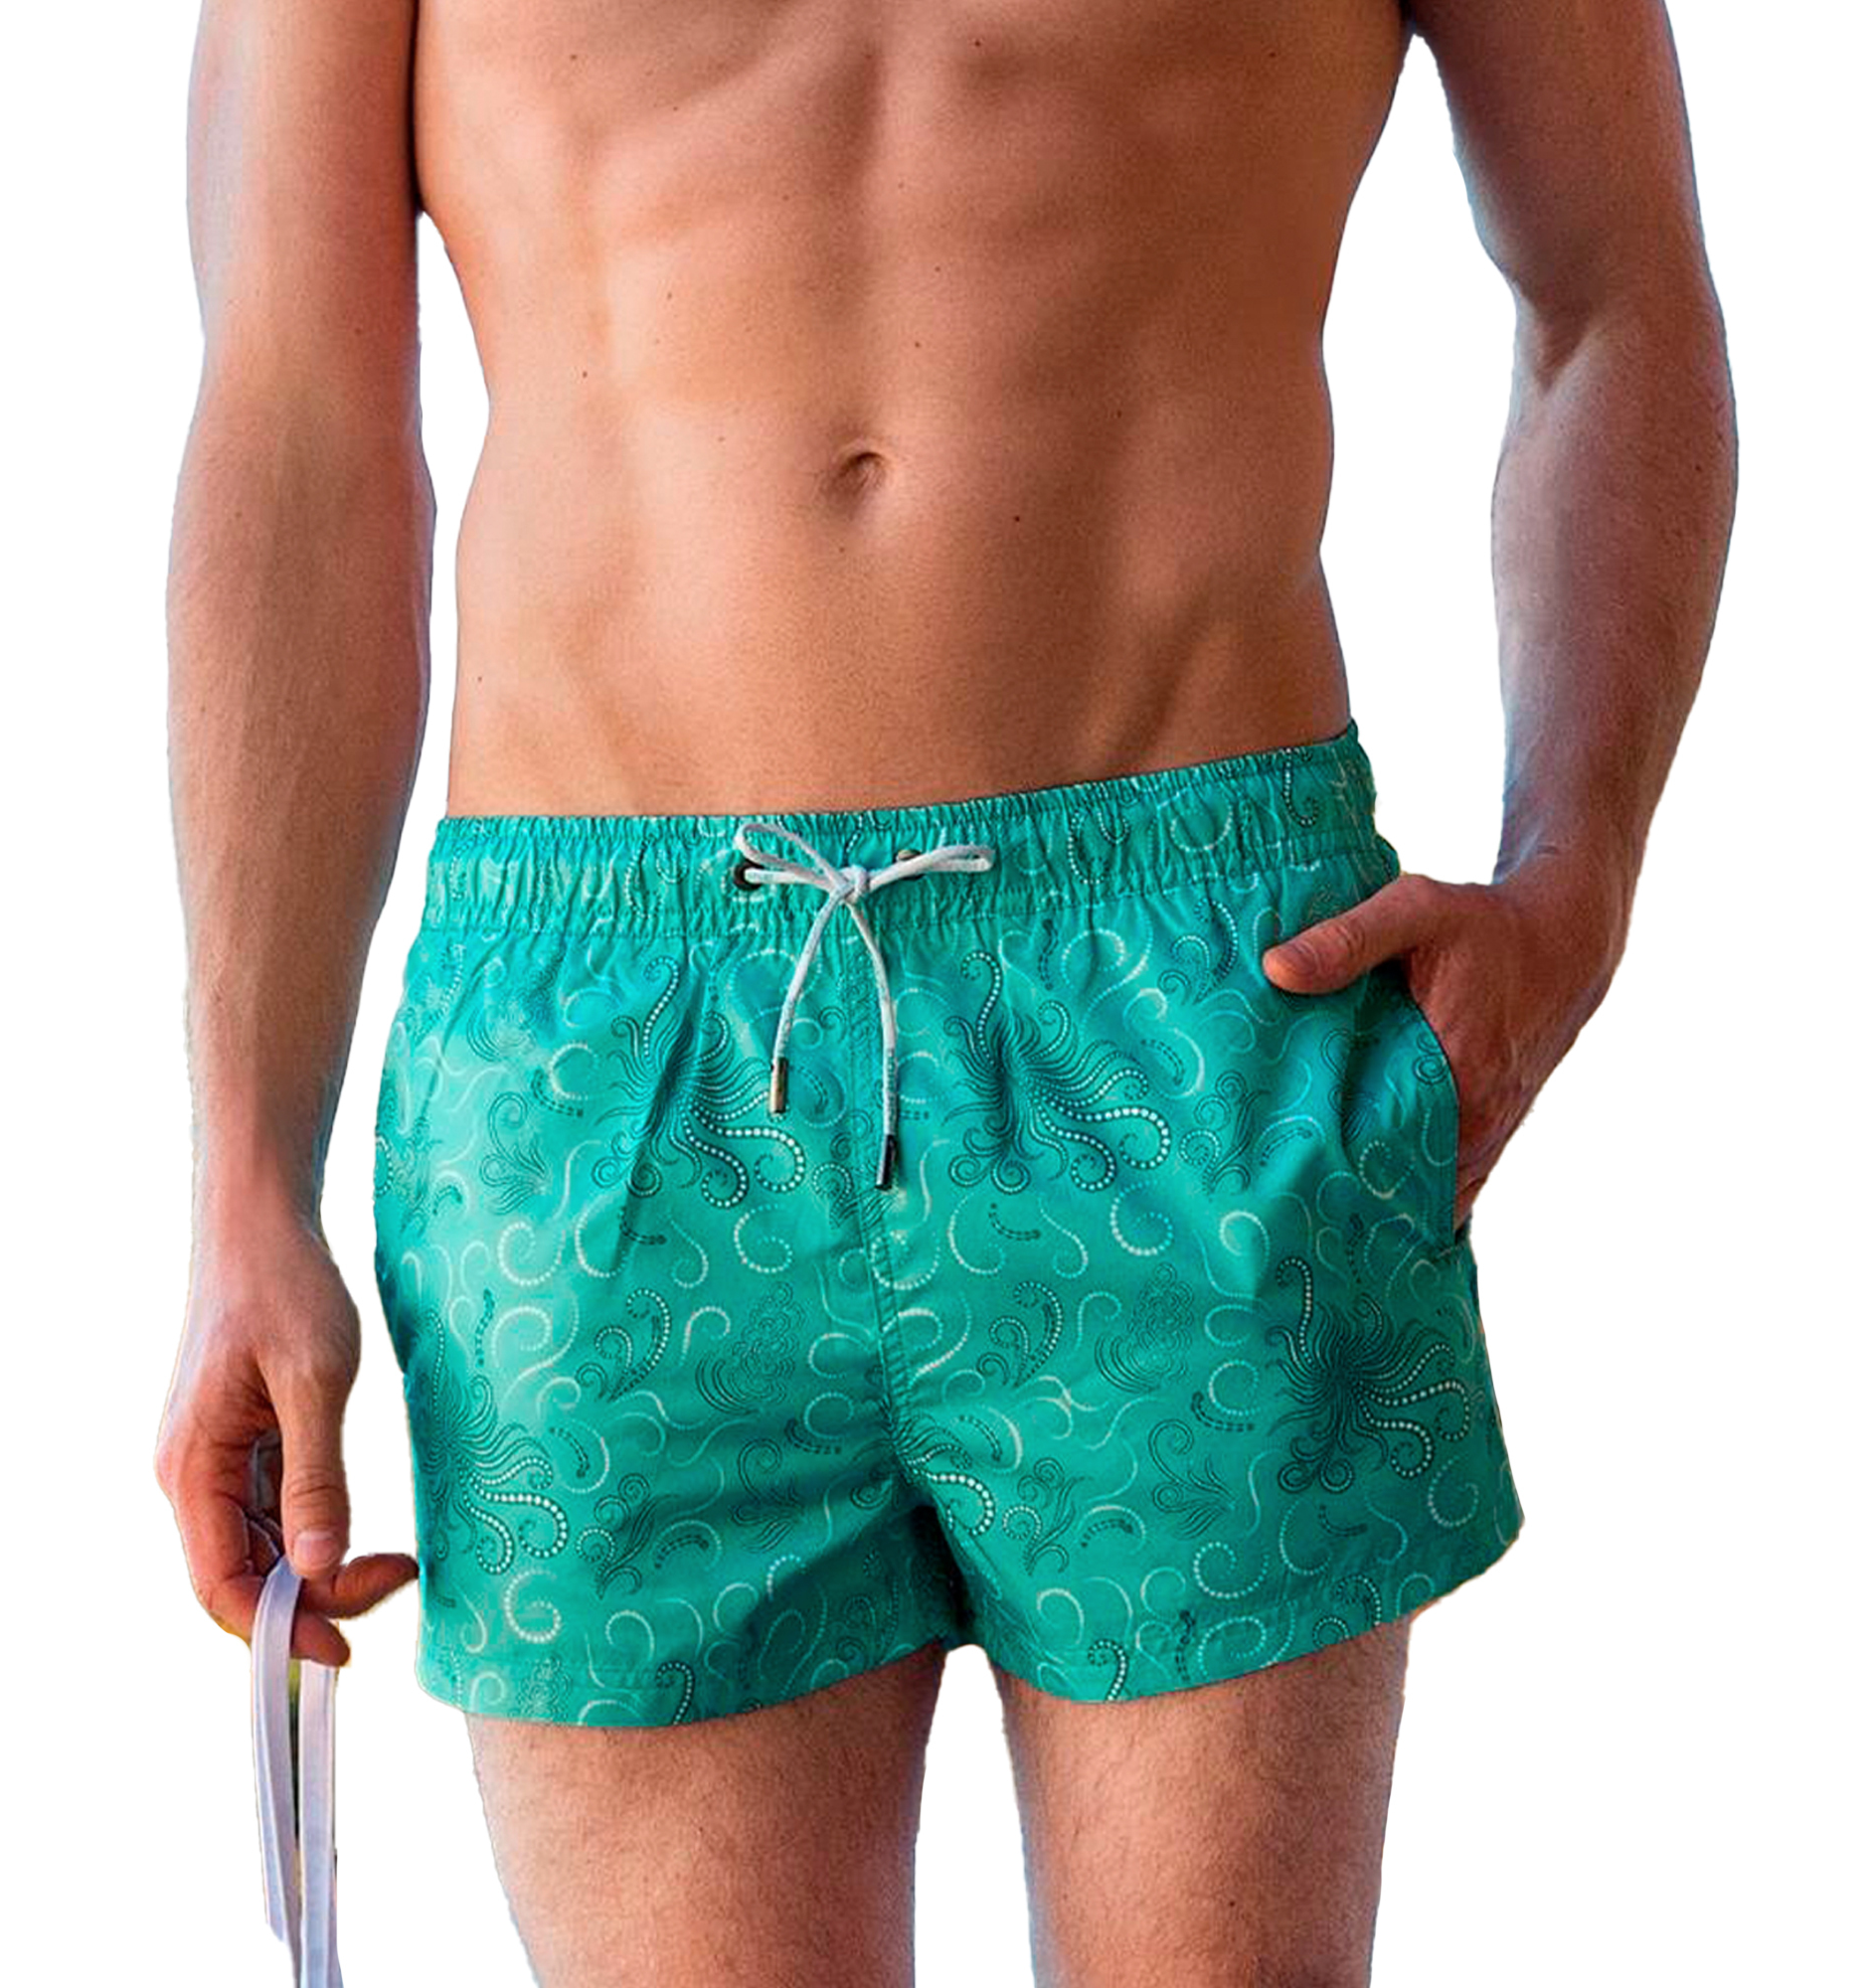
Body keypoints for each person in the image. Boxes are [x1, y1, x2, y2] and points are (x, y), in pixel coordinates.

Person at [153, 2, 1735, 1980]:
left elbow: (1615, 288)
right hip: (605, 1065)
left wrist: (1577, 877)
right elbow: (295, 421)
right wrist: (244, 1176)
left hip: (1194, 1004)